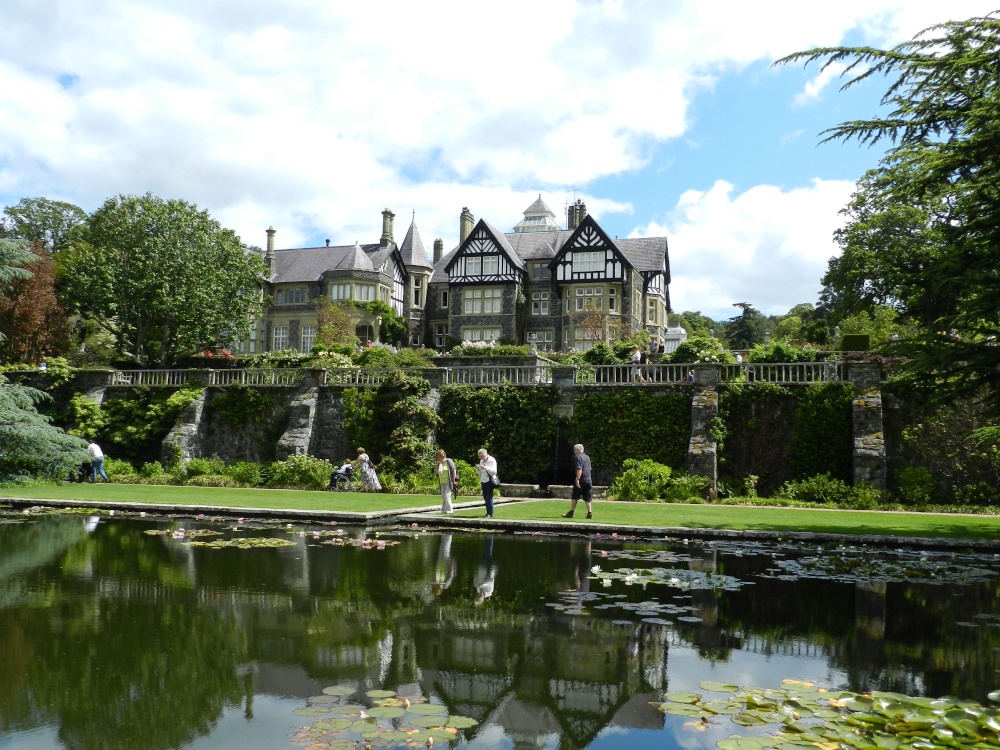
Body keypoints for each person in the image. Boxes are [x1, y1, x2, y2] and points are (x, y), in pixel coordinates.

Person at [562, 443, 593, 519]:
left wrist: (577, 479)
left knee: (575, 497)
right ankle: (589, 513)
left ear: (577, 450)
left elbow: (579, 468)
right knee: (588, 498)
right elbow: (589, 469)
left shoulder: (578, 457)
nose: (574, 451)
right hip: (588, 480)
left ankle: (571, 513)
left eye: (574, 450)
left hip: (581, 480)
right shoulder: (587, 457)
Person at [474, 535, 497, 605]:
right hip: (488, 569)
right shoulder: (489, 592)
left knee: (485, 551)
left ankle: (487, 537)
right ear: (483, 598)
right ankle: (490, 537)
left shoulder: (478, 589)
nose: (479, 594)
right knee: (488, 551)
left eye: (478, 595)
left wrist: (475, 581)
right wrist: (482, 584)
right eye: (480, 596)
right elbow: (491, 581)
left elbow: (476, 579)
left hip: (482, 568)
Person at [476, 448, 498, 518]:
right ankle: (488, 512)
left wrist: (485, 467)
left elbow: (494, 472)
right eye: (480, 457)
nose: (481, 458)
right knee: (485, 497)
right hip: (483, 480)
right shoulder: (481, 461)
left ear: (485, 454)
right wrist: (478, 469)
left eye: (482, 456)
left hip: (489, 480)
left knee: (489, 497)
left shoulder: (492, 460)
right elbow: (480, 473)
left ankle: (489, 513)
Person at [435, 449, 458, 514]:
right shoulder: (439, 463)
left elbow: (453, 470)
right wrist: (437, 465)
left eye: (441, 457)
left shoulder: (448, 461)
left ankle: (449, 510)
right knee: (443, 496)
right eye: (438, 457)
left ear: (444, 455)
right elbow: (436, 472)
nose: (439, 458)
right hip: (442, 481)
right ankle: (444, 509)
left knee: (447, 495)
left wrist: (454, 480)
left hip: (448, 481)